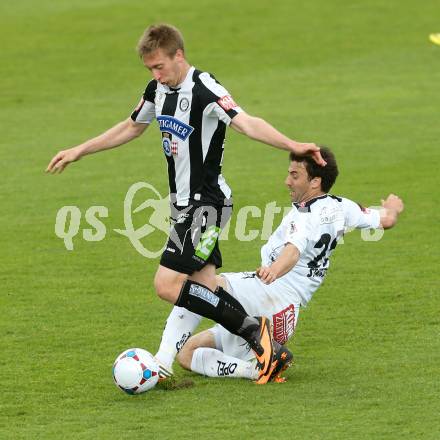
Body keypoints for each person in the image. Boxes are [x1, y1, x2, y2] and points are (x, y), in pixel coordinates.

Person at [46, 23, 326, 384]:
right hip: (184, 206)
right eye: (150, 69)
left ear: (178, 55)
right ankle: (181, 362)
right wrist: (80, 149)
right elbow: (131, 127)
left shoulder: (205, 88)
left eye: (159, 66)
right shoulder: (157, 91)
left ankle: (254, 332)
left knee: (166, 284)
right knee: (203, 286)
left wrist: (293, 144)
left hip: (206, 205)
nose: (155, 75)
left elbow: (247, 124)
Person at [154, 147, 404, 382]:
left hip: (269, 294)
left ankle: (160, 363)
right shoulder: (343, 207)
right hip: (286, 316)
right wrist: (392, 208)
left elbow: (293, 250)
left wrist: (273, 271)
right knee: (187, 353)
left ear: (315, 181)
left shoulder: (304, 217)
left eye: (295, 175)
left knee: (201, 286)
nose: (287, 181)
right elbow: (386, 220)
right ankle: (254, 368)